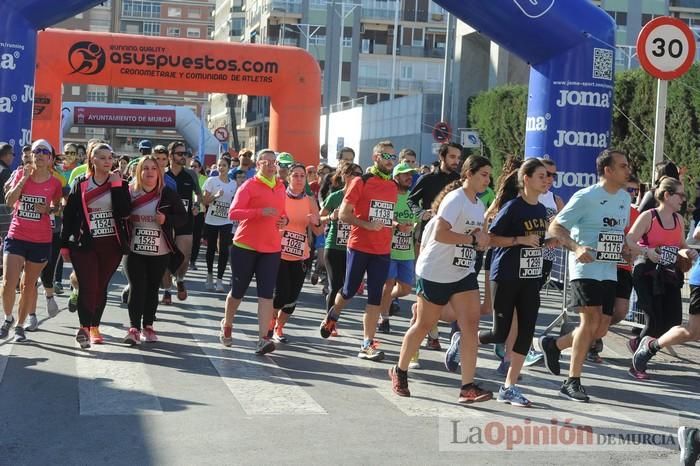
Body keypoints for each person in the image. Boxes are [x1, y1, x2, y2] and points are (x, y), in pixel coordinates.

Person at [388, 155, 492, 403]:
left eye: (489, 175)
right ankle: (400, 371)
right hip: (436, 271)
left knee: (471, 325)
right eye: (484, 174)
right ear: (468, 174)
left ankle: (467, 386)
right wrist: (473, 239)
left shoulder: (478, 204)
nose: (488, 179)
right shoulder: (455, 199)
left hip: (462, 271)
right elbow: (442, 235)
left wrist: (483, 240)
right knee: (424, 325)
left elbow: (473, 237)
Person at [540, 149, 634, 402]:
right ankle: (572, 381)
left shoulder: (625, 199)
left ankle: (554, 345)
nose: (628, 170)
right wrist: (577, 247)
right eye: (623, 166)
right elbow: (556, 226)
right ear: (608, 170)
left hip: (609, 269)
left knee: (601, 328)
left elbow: (615, 232)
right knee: (589, 322)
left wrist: (624, 249)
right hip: (585, 268)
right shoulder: (586, 196)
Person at [479, 158, 554, 407]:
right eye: (542, 176)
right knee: (500, 332)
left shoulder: (541, 210)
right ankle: (468, 339)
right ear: (527, 179)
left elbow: (537, 241)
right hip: (506, 275)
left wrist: (549, 243)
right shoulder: (513, 207)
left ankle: (509, 387)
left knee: (526, 332)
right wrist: (519, 240)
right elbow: (491, 239)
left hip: (530, 278)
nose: (547, 181)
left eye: (548, 176)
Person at [318, 141, 399, 361]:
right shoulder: (360, 181)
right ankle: (333, 314)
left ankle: (366, 344)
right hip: (359, 246)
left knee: (375, 296)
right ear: (376, 158)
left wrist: (395, 222)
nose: (391, 161)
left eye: (394, 157)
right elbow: (344, 214)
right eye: (387, 156)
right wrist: (367, 225)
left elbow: (384, 215)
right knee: (348, 290)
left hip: (382, 249)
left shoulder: (392, 186)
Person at [61, 143, 131, 347]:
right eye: (102, 157)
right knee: (88, 285)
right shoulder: (81, 183)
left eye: (110, 157)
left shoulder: (120, 183)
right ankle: (83, 328)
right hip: (84, 244)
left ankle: (94, 327)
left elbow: (124, 212)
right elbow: (69, 214)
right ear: (92, 159)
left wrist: (117, 186)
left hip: (111, 245)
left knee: (100, 287)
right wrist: (64, 244)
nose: (107, 161)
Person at [627, 177, 697, 378]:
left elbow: (681, 246)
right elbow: (630, 239)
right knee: (654, 320)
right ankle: (637, 365)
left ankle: (638, 343)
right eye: (680, 195)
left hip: (669, 274)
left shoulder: (677, 219)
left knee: (673, 320)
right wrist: (647, 251)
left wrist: (688, 253)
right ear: (667, 195)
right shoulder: (649, 216)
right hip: (646, 272)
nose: (683, 199)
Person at [220, 149, 286, 355]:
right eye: (266, 162)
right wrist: (258, 212)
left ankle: (262, 338)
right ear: (257, 164)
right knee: (238, 292)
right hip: (245, 246)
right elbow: (233, 213)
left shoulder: (281, 186)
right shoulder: (249, 185)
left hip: (272, 247)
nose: (271, 165)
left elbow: (282, 214)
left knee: (266, 295)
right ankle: (227, 324)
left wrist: (286, 220)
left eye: (273, 162)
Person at [0, 140, 63, 342]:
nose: (40, 155)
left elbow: (58, 207)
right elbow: (9, 201)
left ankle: (20, 325)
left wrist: (48, 210)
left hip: (40, 239)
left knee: (28, 284)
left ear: (51, 158)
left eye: (45, 152)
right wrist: (23, 179)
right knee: (9, 281)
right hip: (16, 235)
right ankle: (7, 319)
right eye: (37, 151)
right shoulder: (21, 174)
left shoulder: (54, 183)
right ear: (32, 155)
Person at [124, 156, 187, 345]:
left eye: (153, 168)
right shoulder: (129, 193)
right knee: (137, 286)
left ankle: (148, 326)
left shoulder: (168, 194)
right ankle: (133, 328)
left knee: (152, 288)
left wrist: (166, 219)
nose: (149, 172)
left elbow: (183, 218)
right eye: (145, 168)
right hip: (134, 250)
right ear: (138, 172)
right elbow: (117, 214)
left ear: (159, 172)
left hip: (159, 251)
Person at [407, 142, 462, 350]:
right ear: (442, 157)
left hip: (453, 240)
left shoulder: (460, 182)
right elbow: (411, 201)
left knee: (449, 289)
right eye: (452, 157)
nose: (456, 161)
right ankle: (430, 333)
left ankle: (446, 332)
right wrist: (422, 214)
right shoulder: (428, 178)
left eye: (459, 157)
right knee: (428, 287)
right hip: (427, 238)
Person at [270, 164, 323, 342]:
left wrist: (316, 222)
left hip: (301, 255)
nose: (299, 179)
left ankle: (280, 327)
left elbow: (318, 231)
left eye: (302, 176)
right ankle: (270, 323)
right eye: (296, 176)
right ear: (289, 178)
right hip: (279, 252)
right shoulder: (280, 196)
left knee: (292, 298)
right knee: (281, 294)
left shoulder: (310, 200)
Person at [377, 162, 418, 333]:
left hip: (407, 250)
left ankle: (384, 299)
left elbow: (418, 218)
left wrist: (412, 225)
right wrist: (396, 225)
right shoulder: (389, 194)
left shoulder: (413, 198)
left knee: (406, 289)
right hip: (389, 249)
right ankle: (383, 318)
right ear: (396, 177)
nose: (409, 177)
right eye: (405, 174)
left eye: (410, 174)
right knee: (388, 284)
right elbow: (384, 216)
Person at [320, 162, 362, 323]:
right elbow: (319, 218)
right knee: (335, 285)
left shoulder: (363, 196)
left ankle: (334, 313)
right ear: (343, 176)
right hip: (335, 246)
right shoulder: (335, 196)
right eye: (352, 174)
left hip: (355, 246)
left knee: (348, 288)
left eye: (359, 174)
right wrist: (331, 217)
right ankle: (330, 321)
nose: (356, 178)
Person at [160, 141, 201, 304]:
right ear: (170, 156)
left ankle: (181, 279)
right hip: (166, 222)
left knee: (184, 257)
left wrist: (197, 204)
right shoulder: (162, 175)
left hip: (185, 220)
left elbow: (198, 194)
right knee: (165, 258)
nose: (183, 156)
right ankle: (167, 291)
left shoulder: (191, 174)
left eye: (185, 153)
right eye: (180, 154)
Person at [202, 156, 237, 291]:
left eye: (224, 165)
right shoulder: (211, 181)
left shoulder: (233, 184)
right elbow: (205, 201)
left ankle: (219, 280)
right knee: (211, 248)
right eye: (219, 165)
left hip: (226, 221)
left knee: (223, 250)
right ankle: (210, 274)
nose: (221, 168)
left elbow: (235, 200)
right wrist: (216, 196)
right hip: (211, 220)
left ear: (229, 168)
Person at [189, 158, 208, 271]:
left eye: (195, 166)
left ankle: (192, 261)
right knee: (185, 237)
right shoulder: (186, 177)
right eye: (191, 166)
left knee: (196, 238)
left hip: (199, 212)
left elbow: (205, 197)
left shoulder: (205, 179)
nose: (193, 168)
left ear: (200, 168)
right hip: (186, 212)